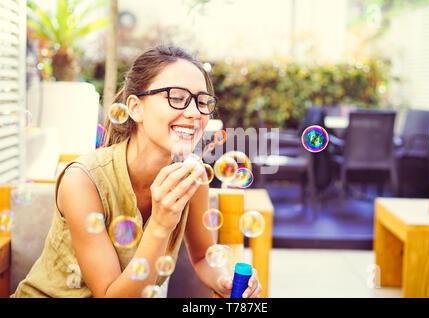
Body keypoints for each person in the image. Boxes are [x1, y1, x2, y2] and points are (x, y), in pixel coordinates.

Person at [11, 45, 262, 298]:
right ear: (135, 107)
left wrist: (225, 280)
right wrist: (161, 225)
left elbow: (202, 257)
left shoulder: (191, 178)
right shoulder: (82, 180)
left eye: (202, 101)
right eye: (176, 97)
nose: (195, 112)